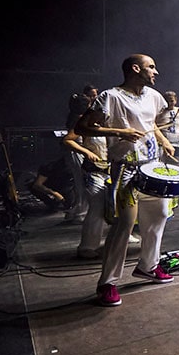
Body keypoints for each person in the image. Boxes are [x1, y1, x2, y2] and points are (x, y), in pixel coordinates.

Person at [75, 54, 177, 307]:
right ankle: (107, 283)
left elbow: (152, 123)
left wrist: (164, 141)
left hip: (152, 166)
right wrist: (119, 132)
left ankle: (148, 266)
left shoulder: (153, 96)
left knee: (160, 215)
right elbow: (83, 127)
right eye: (151, 67)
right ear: (135, 69)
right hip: (126, 170)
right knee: (124, 224)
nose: (156, 71)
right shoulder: (110, 97)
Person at [62, 107, 108, 258]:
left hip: (111, 169)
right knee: (97, 205)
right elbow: (67, 140)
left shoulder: (110, 126)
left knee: (116, 205)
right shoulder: (85, 127)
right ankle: (87, 247)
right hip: (93, 170)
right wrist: (86, 152)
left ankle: (121, 237)